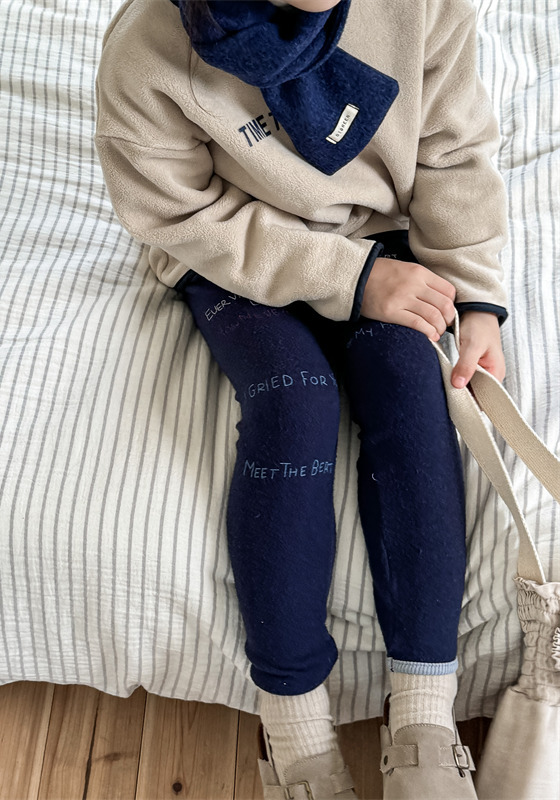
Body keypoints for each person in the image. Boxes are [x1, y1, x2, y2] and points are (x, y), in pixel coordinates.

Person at [95, 0, 508, 796]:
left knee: (410, 386)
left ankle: (426, 727)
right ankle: (296, 740)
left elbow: (453, 147)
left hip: (380, 233)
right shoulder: (149, 46)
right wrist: (348, 279)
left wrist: (477, 295)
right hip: (234, 252)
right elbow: (178, 214)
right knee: (295, 404)